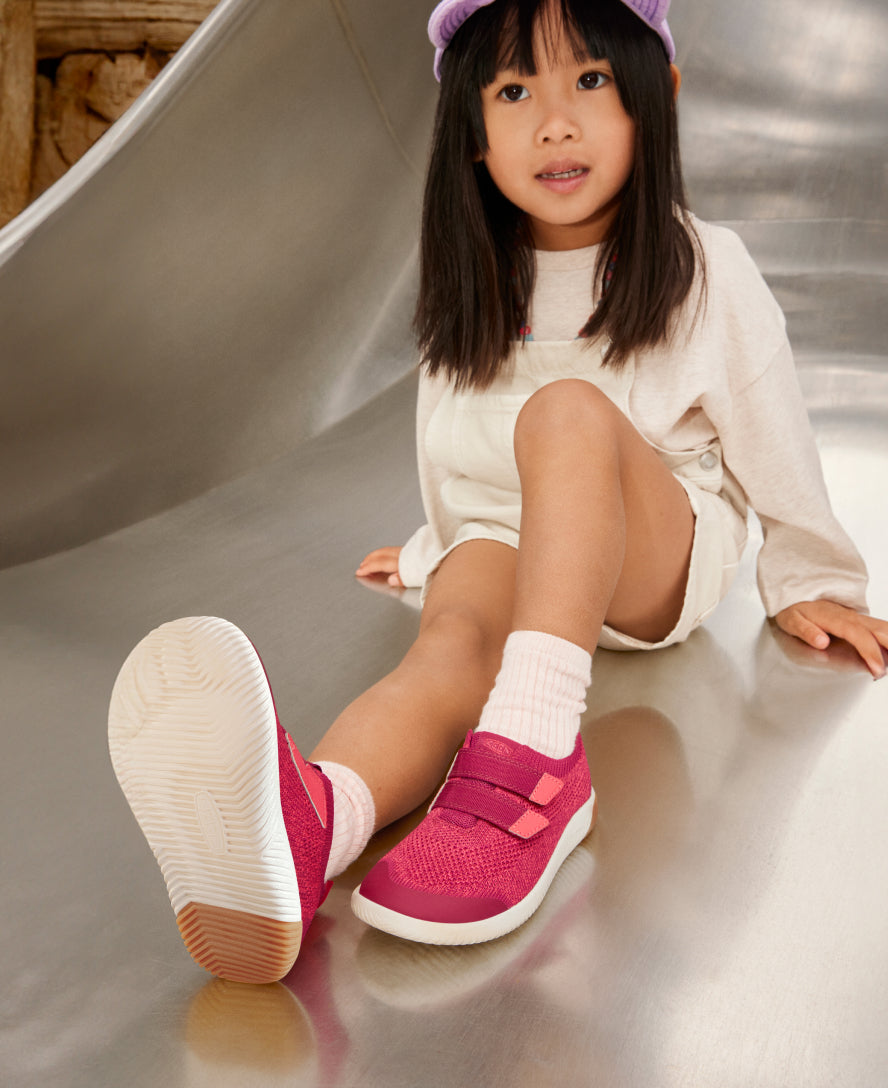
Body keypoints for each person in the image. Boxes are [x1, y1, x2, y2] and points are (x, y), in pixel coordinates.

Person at [108, 0, 888, 984]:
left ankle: (535, 751)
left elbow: (772, 422)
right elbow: (453, 439)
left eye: (590, 81)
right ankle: (315, 822)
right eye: (515, 92)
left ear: (659, 97)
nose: (554, 123)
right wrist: (435, 549)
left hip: (654, 552)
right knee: (445, 649)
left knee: (567, 415)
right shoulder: (481, 273)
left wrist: (813, 574)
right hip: (516, 539)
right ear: (473, 136)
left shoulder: (704, 268)